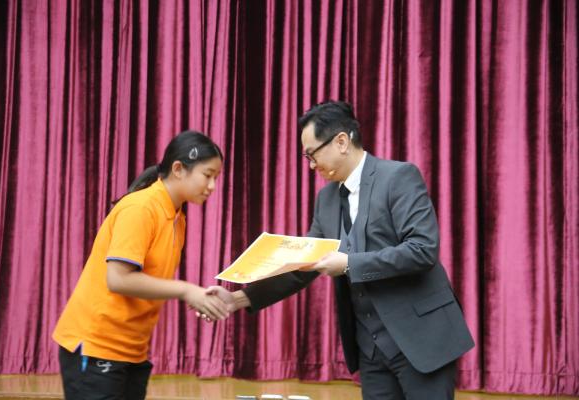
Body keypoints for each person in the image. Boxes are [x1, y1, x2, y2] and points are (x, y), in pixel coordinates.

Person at [211, 101, 475, 399]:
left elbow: (422, 249)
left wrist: (349, 263)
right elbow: (302, 268)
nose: (311, 165)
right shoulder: (326, 199)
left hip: (422, 338)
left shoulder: (399, 177)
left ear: (341, 142)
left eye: (312, 154)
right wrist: (237, 299)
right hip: (371, 349)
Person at [52, 131, 233, 400]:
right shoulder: (141, 208)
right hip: (96, 345)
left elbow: (148, 281)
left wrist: (202, 296)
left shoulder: (177, 218)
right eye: (208, 175)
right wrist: (186, 290)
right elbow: (119, 279)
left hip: (132, 351)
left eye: (216, 177)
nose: (212, 186)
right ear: (178, 169)